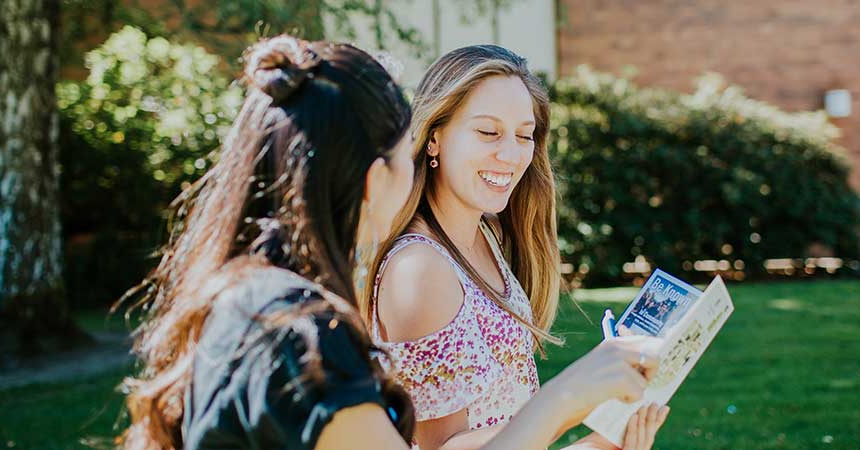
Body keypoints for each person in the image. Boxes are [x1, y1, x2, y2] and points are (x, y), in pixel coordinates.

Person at [117, 35, 661, 450]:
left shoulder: (255, 306)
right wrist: (565, 396)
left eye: (524, 135)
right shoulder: (299, 337)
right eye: (406, 152)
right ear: (379, 177)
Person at [365, 44, 670, 450]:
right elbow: (443, 447)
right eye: (488, 132)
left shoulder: (486, 236)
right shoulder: (420, 270)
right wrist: (574, 398)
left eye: (524, 135)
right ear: (434, 137)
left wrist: (601, 442)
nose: (510, 155)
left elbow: (512, 430)